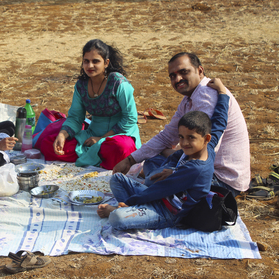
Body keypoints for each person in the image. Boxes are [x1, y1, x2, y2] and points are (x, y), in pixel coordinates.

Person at [98, 79, 229, 229]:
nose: (184, 143)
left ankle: (124, 210)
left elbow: (159, 190)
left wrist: (129, 203)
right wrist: (222, 93)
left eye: (191, 138)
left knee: (117, 218)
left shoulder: (196, 168)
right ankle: (132, 210)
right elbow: (220, 121)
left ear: (206, 138)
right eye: (181, 137)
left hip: (166, 212)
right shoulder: (208, 146)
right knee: (117, 179)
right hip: (159, 197)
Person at [113, 52, 250, 196]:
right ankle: (153, 186)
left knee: (153, 179)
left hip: (220, 178)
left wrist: (175, 171)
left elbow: (206, 151)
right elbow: (167, 136)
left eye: (184, 72)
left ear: (200, 70)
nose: (178, 79)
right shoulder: (190, 98)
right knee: (151, 161)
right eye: (172, 76)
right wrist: (130, 160)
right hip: (197, 165)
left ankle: (147, 194)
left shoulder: (206, 96)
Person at [40, 39, 141, 170]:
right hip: (91, 135)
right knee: (48, 144)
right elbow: (76, 117)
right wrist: (62, 134)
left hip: (120, 135)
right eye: (86, 61)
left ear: (106, 63)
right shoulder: (81, 85)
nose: (90, 66)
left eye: (95, 61)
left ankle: (97, 156)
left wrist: (101, 138)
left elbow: (130, 118)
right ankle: (100, 157)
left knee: (121, 148)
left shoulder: (118, 83)